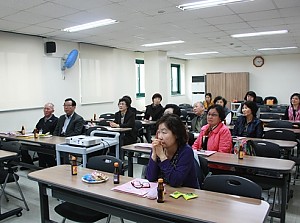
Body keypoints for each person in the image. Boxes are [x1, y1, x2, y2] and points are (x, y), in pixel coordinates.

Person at [146, 114, 199, 189]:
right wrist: (154, 155)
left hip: (186, 194)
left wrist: (162, 156)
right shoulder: (158, 147)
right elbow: (150, 178)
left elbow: (175, 181)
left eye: (164, 132)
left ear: (176, 134)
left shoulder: (186, 151)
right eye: (158, 132)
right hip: (165, 191)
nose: (160, 137)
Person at [21, 103, 58, 168]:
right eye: (44, 109)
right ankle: (28, 163)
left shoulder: (56, 120)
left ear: (52, 111)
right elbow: (36, 130)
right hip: (39, 140)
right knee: (22, 146)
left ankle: (47, 165)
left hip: (49, 142)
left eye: (48, 109)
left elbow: (55, 133)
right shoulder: (41, 120)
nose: (45, 110)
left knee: (42, 149)